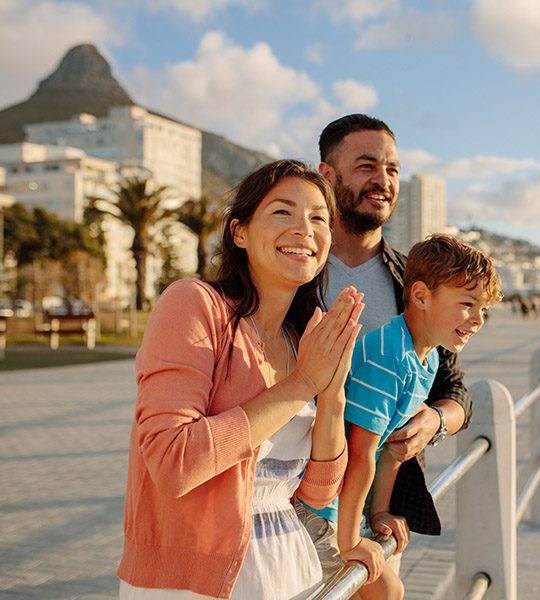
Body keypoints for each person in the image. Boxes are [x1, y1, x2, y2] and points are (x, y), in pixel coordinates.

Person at [117, 160, 365, 600]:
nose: (304, 229)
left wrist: (332, 396)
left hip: (289, 566)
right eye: (283, 212)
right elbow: (174, 465)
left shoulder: (302, 336)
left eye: (318, 218)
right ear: (240, 233)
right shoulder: (194, 305)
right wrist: (303, 384)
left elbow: (315, 492)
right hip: (194, 581)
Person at [294, 114, 473, 585]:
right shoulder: (291, 269)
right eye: (367, 166)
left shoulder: (412, 280)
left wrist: (433, 422)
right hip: (285, 499)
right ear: (327, 178)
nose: (383, 181)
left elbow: (454, 389)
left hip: (379, 513)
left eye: (392, 169)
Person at [303, 234, 502, 598]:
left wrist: (379, 513)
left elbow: (393, 448)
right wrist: (350, 540)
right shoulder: (388, 356)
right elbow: (361, 450)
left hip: (349, 505)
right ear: (422, 296)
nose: (477, 320)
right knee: (387, 592)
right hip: (319, 504)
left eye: (483, 310)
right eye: (468, 304)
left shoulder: (428, 358)